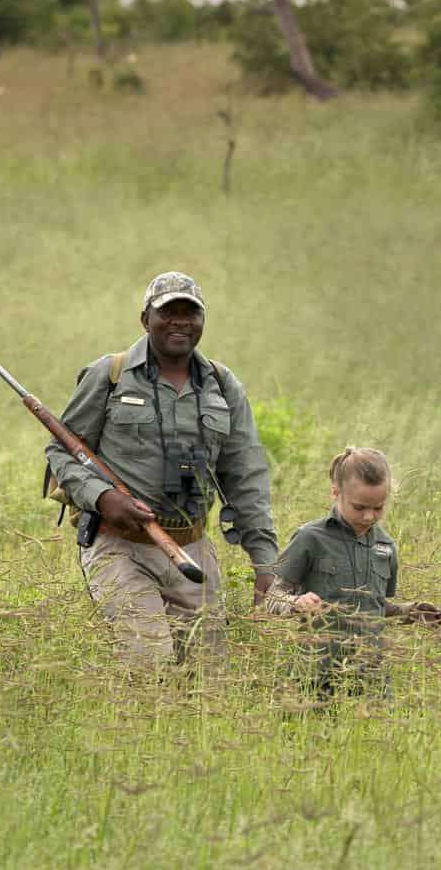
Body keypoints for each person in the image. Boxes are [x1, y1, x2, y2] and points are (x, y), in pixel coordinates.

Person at [44, 270, 278, 668]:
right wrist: (102, 497)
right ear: (145, 319)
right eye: (168, 312)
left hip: (191, 551)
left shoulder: (223, 386)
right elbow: (62, 450)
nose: (179, 322)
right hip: (119, 547)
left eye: (190, 313)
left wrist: (265, 564)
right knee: (148, 660)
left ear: (203, 321)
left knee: (207, 677)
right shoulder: (109, 375)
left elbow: (247, 477)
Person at [264, 447, 441, 697]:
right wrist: (296, 603)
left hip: (371, 678)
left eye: (378, 508)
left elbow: (377, 607)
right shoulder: (310, 538)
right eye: (359, 507)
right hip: (315, 675)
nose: (369, 516)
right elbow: (272, 597)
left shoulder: (386, 546)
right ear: (335, 493)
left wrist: (410, 612)